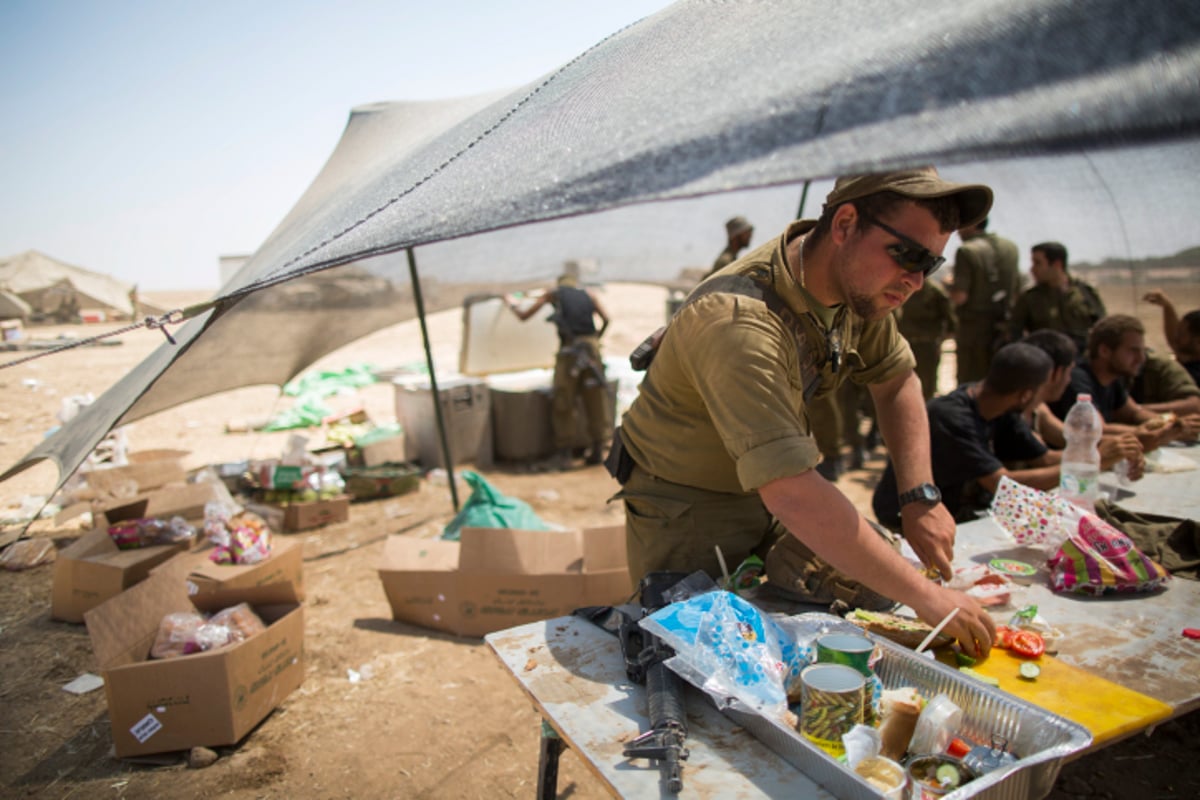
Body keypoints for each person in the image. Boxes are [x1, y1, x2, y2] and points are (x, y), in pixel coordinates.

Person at [610, 167, 998, 656]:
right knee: (704, 671)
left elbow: (895, 378)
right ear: (844, 225)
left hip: (772, 488)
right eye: (908, 256)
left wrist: (918, 495)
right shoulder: (739, 321)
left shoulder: (856, 284)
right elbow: (793, 492)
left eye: (932, 264)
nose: (917, 281)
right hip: (690, 508)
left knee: (867, 596)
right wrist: (928, 596)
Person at [872, 343, 1061, 528]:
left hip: (955, 511)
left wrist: (1086, 458)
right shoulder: (952, 419)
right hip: (910, 520)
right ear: (1026, 395)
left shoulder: (1000, 408)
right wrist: (1073, 470)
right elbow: (1002, 485)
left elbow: (1044, 459)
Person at [506, 267, 611, 469]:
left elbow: (523, 315)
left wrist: (509, 302)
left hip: (570, 350)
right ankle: (598, 449)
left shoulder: (553, 294)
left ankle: (565, 454)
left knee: (564, 398)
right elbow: (607, 319)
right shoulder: (589, 294)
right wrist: (596, 339)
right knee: (595, 396)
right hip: (591, 350)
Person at [1046, 314, 1200, 448]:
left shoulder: (1112, 378)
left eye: (1142, 351)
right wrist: (1164, 432)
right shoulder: (1078, 380)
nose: (1141, 358)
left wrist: (1174, 425)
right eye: (1133, 351)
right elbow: (1098, 430)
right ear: (1104, 351)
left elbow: (1135, 413)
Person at [1019, 329, 1145, 476]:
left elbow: (1074, 439)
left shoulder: (1039, 409)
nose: (1069, 380)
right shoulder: (1015, 412)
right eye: (1068, 372)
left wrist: (1123, 447)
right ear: (1055, 373)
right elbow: (1045, 459)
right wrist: (1100, 456)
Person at [947, 217, 1019, 384]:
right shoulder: (1010, 248)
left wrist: (949, 287)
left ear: (973, 223)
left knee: (969, 384)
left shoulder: (967, 251)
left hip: (973, 332)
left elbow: (960, 297)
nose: (957, 231)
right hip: (1003, 328)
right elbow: (1016, 291)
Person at [1009, 241, 1105, 353]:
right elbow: (1014, 332)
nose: (1032, 269)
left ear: (1057, 265)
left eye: (1038, 263)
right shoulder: (1029, 298)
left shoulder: (1085, 292)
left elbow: (1101, 326)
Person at [897, 279, 957, 400]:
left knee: (926, 386)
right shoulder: (901, 287)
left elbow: (950, 318)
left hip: (927, 344)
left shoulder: (934, 291)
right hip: (905, 343)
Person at [1142, 288, 1200, 385]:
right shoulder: (1189, 360)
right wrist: (1167, 306)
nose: (1176, 337)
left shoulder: (1190, 376)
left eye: (1181, 335)